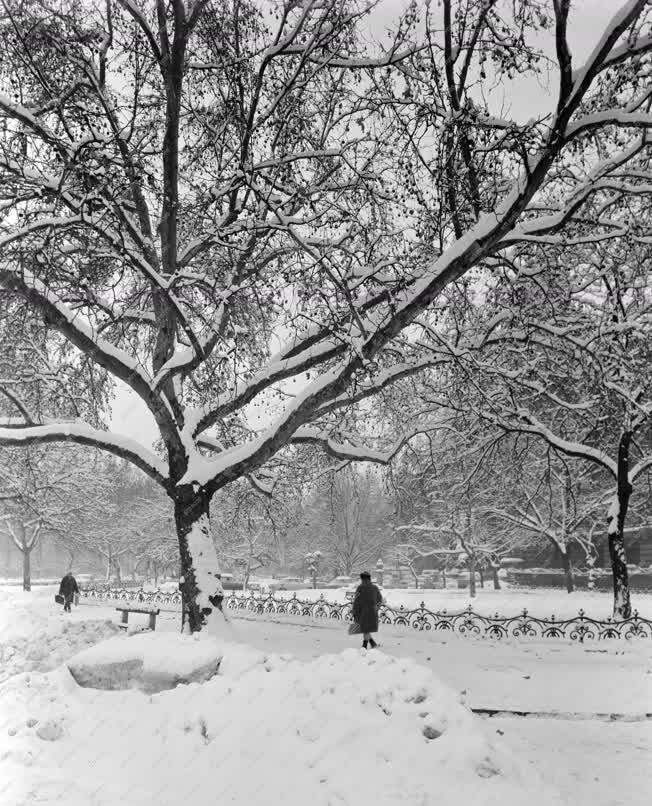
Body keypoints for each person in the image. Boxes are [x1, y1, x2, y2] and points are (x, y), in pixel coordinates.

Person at [352, 571, 383, 649]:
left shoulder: (360, 588)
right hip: (372, 612)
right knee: (366, 629)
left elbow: (356, 601)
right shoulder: (375, 588)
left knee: (365, 629)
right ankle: (373, 644)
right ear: (369, 578)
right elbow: (380, 599)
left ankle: (364, 645)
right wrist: (376, 608)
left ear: (362, 579)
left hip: (363, 612)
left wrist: (354, 612)